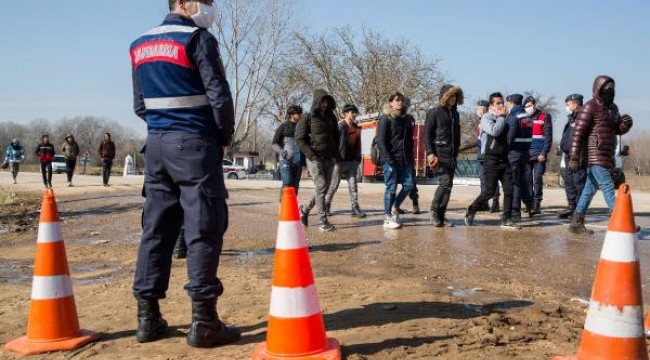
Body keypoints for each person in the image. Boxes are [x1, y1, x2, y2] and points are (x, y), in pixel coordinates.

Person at [130, 0, 240, 347]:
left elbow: (139, 105)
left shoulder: (139, 44)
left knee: (156, 231)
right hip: (194, 146)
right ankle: (204, 322)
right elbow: (219, 97)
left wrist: (163, 129)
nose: (209, 7)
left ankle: (148, 320)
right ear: (180, 2)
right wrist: (222, 138)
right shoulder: (198, 39)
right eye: (204, 0)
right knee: (203, 229)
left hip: (156, 148)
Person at [568, 76, 633, 234]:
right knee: (608, 186)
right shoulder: (589, 107)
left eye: (612, 88)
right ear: (598, 88)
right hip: (595, 154)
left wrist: (624, 125)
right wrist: (574, 157)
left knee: (589, 189)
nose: (610, 91)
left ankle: (576, 222)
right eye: (607, 88)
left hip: (607, 154)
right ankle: (621, 219)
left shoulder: (613, 108)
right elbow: (578, 134)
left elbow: (616, 129)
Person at [464, 92, 518, 229]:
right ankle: (472, 209)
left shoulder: (506, 118)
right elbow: (494, 131)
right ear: (491, 105)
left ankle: (507, 218)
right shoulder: (486, 118)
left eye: (502, 103)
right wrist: (501, 117)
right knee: (489, 192)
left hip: (504, 159)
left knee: (509, 190)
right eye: (497, 103)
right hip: (490, 159)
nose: (501, 105)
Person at [296, 89, 339, 232]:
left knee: (324, 189)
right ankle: (322, 220)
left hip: (329, 158)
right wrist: (311, 155)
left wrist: (335, 155)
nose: (324, 104)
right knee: (321, 186)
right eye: (322, 101)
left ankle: (305, 211)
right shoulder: (307, 117)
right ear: (316, 101)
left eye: (326, 101)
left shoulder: (332, 117)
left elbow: (337, 137)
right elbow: (299, 138)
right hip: (314, 158)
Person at [425, 84, 463, 227]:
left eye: (455, 96)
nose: (453, 99)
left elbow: (457, 134)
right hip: (439, 153)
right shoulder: (434, 112)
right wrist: (430, 153)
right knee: (445, 182)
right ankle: (434, 211)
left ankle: (441, 215)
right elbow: (427, 134)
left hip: (451, 154)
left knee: (449, 186)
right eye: (451, 96)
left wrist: (457, 149)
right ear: (444, 96)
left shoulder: (455, 114)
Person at [377, 92, 414, 229]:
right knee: (391, 187)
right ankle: (387, 218)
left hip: (405, 160)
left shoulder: (406, 119)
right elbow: (380, 141)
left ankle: (394, 208)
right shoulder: (385, 119)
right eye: (397, 100)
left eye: (402, 100)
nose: (400, 102)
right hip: (391, 160)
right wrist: (388, 158)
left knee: (409, 185)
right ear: (391, 102)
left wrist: (411, 158)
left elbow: (409, 141)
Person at [324, 104, 366, 218]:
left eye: (355, 112)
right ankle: (326, 206)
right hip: (339, 162)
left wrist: (358, 159)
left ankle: (355, 208)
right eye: (352, 113)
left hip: (352, 162)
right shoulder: (340, 127)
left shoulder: (357, 128)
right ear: (346, 114)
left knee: (353, 186)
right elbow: (334, 143)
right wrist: (335, 158)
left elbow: (358, 144)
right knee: (333, 186)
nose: (354, 115)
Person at [505, 93, 534, 223]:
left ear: (511, 103)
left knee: (514, 181)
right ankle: (529, 204)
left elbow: (509, 137)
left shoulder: (513, 117)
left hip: (514, 153)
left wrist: (504, 149)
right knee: (524, 180)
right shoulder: (527, 116)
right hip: (525, 152)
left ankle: (515, 210)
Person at [558, 94, 586, 219]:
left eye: (568, 105)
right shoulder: (572, 118)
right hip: (568, 155)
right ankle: (571, 206)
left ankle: (579, 210)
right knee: (569, 182)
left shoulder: (583, 117)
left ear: (574, 104)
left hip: (578, 156)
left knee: (578, 182)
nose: (567, 107)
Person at [523, 96, 553, 215]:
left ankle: (537, 203)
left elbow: (548, 137)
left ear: (535, 105)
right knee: (527, 180)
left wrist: (544, 153)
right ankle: (529, 203)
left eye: (530, 105)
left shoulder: (544, 117)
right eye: (526, 106)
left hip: (539, 153)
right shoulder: (524, 118)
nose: (529, 108)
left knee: (537, 179)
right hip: (526, 153)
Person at [396, 97, 421, 215]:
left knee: (411, 182)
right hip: (395, 156)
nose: (405, 106)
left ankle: (415, 203)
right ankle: (395, 206)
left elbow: (411, 139)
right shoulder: (393, 117)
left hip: (408, 155)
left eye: (407, 105)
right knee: (393, 185)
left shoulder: (410, 119)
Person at [272, 105, 303, 198]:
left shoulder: (302, 127)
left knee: (295, 186)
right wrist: (282, 152)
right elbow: (274, 143)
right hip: (285, 160)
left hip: (298, 161)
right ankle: (283, 206)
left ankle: (291, 208)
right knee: (287, 183)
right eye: (297, 113)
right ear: (291, 114)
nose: (299, 115)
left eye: (299, 113)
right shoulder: (283, 126)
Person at [475, 100, 500, 213]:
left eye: (480, 107)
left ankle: (495, 202)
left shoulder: (490, 120)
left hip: (488, 155)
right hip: (480, 155)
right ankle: (484, 202)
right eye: (477, 108)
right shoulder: (480, 122)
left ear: (486, 108)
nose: (478, 110)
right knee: (483, 180)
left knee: (492, 180)